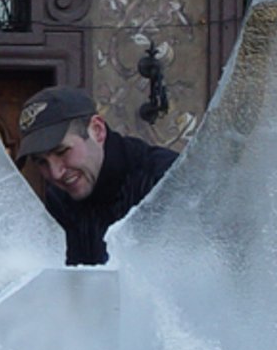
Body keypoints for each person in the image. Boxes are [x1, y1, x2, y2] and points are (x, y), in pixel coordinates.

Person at [15, 85, 178, 266]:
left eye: (62, 152)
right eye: (41, 162)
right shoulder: (58, 198)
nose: (55, 173)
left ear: (97, 130)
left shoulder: (166, 180)